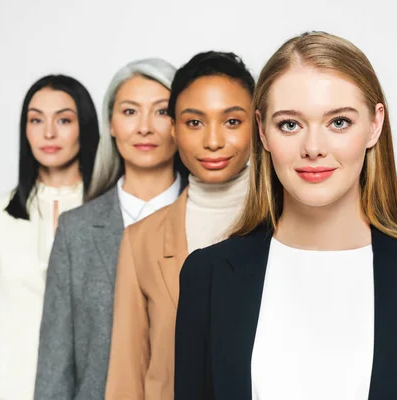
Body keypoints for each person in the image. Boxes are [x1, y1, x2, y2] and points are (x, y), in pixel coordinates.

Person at [174, 32, 397, 400]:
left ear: (374, 124)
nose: (313, 148)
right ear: (263, 130)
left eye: (338, 122)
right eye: (290, 124)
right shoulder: (206, 276)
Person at [106, 51, 254, 400]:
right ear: (173, 129)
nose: (213, 141)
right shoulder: (140, 240)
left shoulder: (289, 224)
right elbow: (127, 376)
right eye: (194, 122)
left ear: (258, 125)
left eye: (232, 121)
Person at [34, 58, 184, 400]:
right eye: (130, 112)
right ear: (111, 124)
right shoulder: (76, 231)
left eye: (161, 112)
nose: (144, 128)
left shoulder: (206, 223)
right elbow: (55, 365)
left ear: (180, 123)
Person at [0, 75, 100, 400]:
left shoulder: (109, 215)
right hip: (11, 391)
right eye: (36, 119)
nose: (48, 132)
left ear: (86, 127)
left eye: (63, 119)